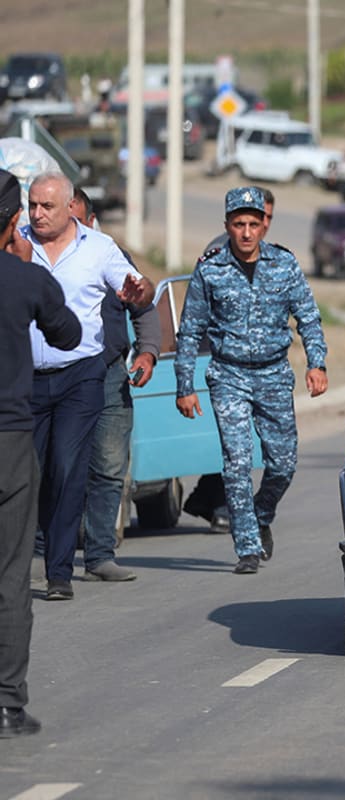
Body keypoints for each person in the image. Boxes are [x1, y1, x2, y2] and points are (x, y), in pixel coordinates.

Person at [175, 187, 328, 575]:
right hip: (229, 375)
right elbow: (190, 331)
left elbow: (308, 317)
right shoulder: (210, 268)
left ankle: (261, 514)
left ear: (264, 226)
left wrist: (317, 363)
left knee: (283, 464)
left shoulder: (285, 264)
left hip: (274, 373)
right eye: (238, 224)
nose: (246, 232)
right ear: (227, 226)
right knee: (237, 463)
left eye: (253, 224)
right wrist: (185, 386)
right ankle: (247, 546)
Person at [22, 172, 153, 601]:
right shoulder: (17, 244)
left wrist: (138, 291)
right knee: (30, 472)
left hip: (81, 374)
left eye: (47, 207)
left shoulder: (99, 249)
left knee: (67, 466)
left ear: (70, 208)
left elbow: (139, 290)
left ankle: (59, 573)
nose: (38, 215)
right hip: (25, 377)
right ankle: (28, 556)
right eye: (33, 205)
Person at [0, 169, 82, 738]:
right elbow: (69, 336)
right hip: (9, 443)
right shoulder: (24, 279)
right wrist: (29, 273)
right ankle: (7, 704)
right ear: (13, 223)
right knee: (10, 575)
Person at [74, 188, 160, 583]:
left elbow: (143, 304)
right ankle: (41, 550)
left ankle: (99, 554)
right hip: (54, 373)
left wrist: (148, 353)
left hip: (109, 372)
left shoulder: (108, 253)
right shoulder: (32, 251)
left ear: (90, 218)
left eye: (73, 216)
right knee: (52, 463)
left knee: (109, 465)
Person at [185, 187, 277, 532]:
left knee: (243, 437)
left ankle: (204, 497)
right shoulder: (219, 252)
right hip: (224, 359)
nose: (257, 225)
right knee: (232, 436)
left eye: (265, 218)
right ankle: (223, 503)